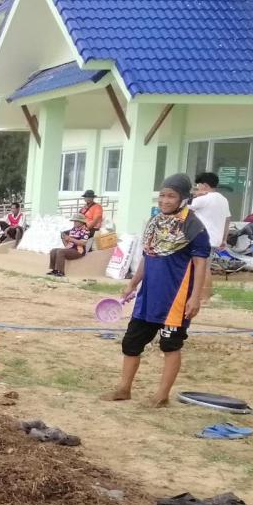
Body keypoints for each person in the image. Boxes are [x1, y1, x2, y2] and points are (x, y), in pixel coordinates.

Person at [102, 173, 209, 408]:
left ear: (183, 198)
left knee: (170, 345)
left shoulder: (194, 227)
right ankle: (124, 389)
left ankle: (162, 395)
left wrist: (195, 297)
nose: (165, 200)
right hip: (148, 297)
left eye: (171, 196)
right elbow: (147, 256)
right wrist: (132, 283)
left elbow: (201, 263)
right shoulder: (155, 222)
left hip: (176, 300)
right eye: (162, 195)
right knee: (131, 343)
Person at [191, 172, 230, 299]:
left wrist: (194, 195)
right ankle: (205, 295)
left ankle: (205, 297)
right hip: (216, 238)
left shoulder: (202, 199)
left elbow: (183, 208)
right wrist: (224, 239)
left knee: (203, 268)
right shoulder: (223, 199)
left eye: (198, 184)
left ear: (205, 185)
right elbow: (227, 219)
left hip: (203, 238)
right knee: (205, 267)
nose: (197, 187)